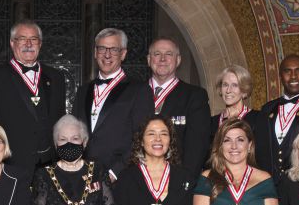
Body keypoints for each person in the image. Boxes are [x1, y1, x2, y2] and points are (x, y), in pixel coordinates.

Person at [0, 21, 68, 171]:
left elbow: (60, 120)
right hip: (10, 165)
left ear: (40, 44)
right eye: (22, 39)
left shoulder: (56, 77)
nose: (28, 44)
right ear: (12, 43)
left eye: (34, 39)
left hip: (50, 166)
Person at [72, 28, 154, 183]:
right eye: (102, 48)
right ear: (95, 53)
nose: (107, 55)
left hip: (120, 178)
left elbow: (142, 137)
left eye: (114, 49)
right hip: (83, 177)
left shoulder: (139, 90)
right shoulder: (83, 90)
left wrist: (115, 172)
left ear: (123, 54)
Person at [147, 37, 212, 171]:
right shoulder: (133, 93)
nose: (162, 59)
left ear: (178, 60)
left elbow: (197, 146)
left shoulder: (194, 96)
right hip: (136, 179)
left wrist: (184, 181)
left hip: (176, 179)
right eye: (157, 54)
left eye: (169, 54)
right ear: (149, 60)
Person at [211, 65, 253, 129]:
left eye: (235, 85)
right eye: (225, 85)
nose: (228, 90)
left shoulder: (257, 119)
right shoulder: (212, 122)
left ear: (244, 90)